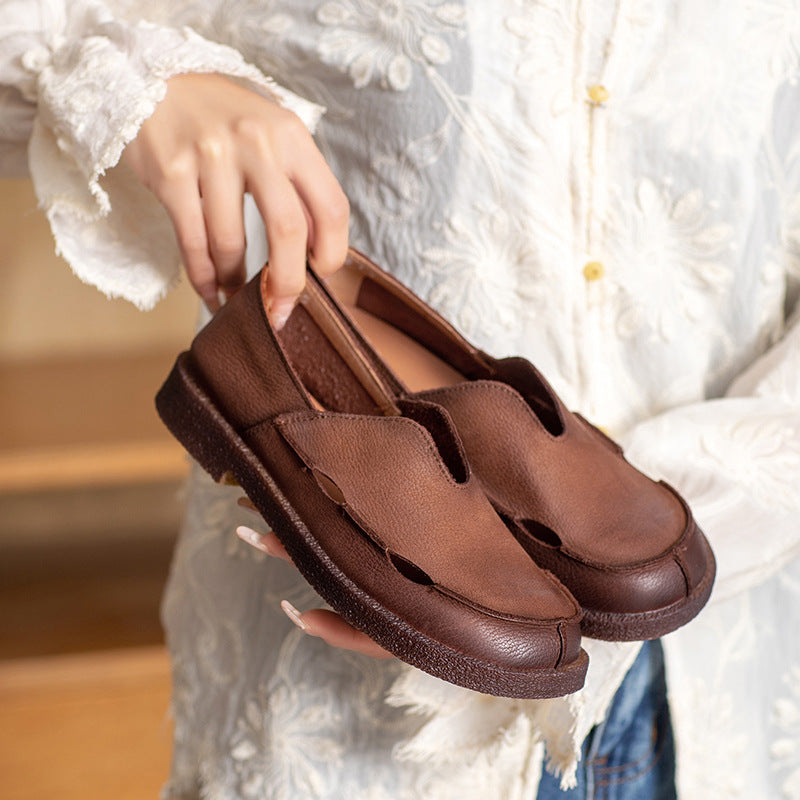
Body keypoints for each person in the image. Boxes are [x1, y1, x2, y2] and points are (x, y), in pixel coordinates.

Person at [2, 2, 800, 797]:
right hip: (351, 731)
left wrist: (738, 486)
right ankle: (266, 366)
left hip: (726, 689)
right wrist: (141, 87)